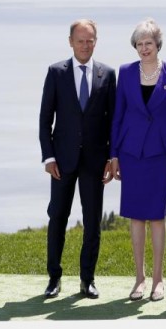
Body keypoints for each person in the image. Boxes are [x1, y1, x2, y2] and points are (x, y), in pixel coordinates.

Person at [110, 19, 166, 302]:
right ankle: (139, 279)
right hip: (130, 154)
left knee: (157, 216)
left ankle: (158, 280)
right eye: (139, 44)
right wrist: (114, 155)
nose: (144, 48)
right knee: (136, 216)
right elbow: (118, 115)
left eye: (149, 44)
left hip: (160, 155)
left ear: (158, 45)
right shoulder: (126, 72)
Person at [39, 19, 116, 299]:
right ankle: (54, 278)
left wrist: (111, 157)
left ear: (96, 41)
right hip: (62, 161)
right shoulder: (56, 72)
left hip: (95, 162)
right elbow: (45, 118)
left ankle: (87, 280)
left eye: (90, 40)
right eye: (80, 40)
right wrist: (48, 157)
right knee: (57, 217)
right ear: (70, 41)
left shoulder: (108, 74)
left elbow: (113, 122)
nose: (85, 45)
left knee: (93, 222)